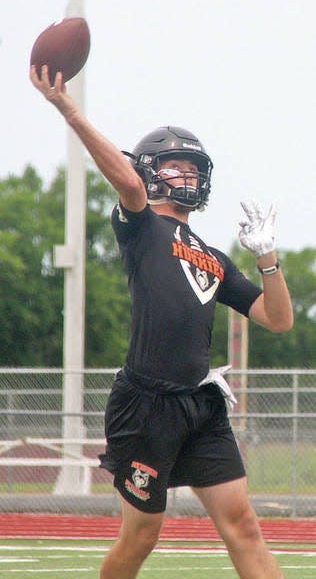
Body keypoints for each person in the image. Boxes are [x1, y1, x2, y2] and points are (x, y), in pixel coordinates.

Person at [30, 64, 293, 579]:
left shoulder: (214, 255)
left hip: (201, 403)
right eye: (175, 167)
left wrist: (268, 259)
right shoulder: (141, 225)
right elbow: (127, 182)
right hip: (146, 403)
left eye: (193, 169)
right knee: (142, 537)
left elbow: (276, 319)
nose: (188, 176)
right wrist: (70, 110)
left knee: (242, 524)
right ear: (150, 171)